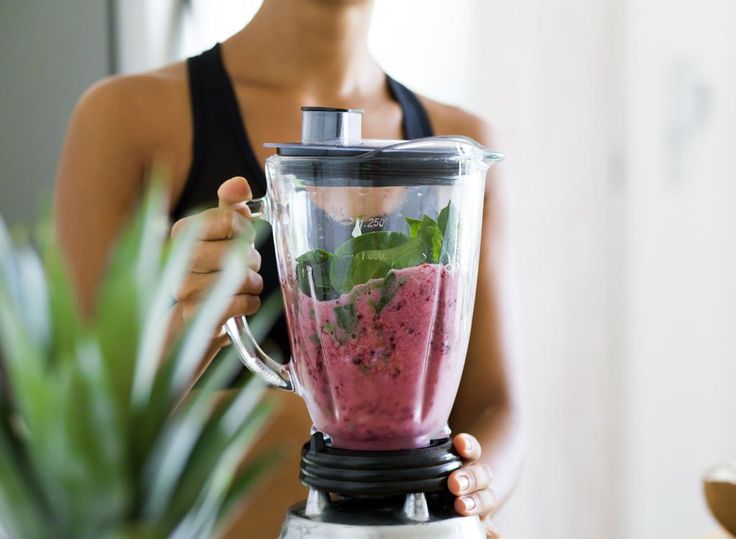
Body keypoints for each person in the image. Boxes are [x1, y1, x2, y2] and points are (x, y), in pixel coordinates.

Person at [54, 0, 522, 536]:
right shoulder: (126, 118)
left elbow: (498, 409)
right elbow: (74, 442)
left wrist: (477, 488)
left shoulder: (460, 143)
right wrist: (188, 326)